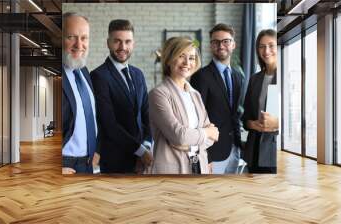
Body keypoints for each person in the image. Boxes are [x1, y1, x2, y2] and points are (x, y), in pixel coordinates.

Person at [149, 37, 219, 174]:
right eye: (181, 56)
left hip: (199, 167)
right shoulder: (158, 94)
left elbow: (213, 138)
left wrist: (187, 143)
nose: (187, 62)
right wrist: (205, 134)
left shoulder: (195, 94)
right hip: (172, 172)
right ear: (169, 59)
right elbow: (179, 136)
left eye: (192, 58)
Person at [90, 19, 152, 173]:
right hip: (115, 160)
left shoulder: (138, 74)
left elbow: (147, 114)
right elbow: (109, 124)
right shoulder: (99, 76)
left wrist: (147, 145)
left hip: (142, 159)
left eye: (127, 41)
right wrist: (140, 151)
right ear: (108, 43)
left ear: (133, 44)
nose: (123, 47)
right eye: (117, 41)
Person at [190, 24, 243, 174]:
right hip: (211, 153)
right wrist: (203, 157)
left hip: (234, 149)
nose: (221, 46)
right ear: (211, 46)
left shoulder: (238, 77)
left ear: (233, 44)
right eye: (216, 42)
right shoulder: (200, 77)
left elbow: (234, 114)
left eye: (226, 41)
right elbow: (194, 120)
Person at [62, 12, 100, 174]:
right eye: (71, 37)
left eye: (84, 38)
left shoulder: (84, 72)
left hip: (88, 163)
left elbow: (90, 117)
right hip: (66, 164)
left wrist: (96, 150)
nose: (79, 45)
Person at [242, 29, 278, 173]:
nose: (266, 50)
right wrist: (252, 124)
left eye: (271, 45)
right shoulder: (254, 79)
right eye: (262, 46)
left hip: (274, 152)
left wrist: (277, 123)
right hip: (254, 150)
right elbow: (245, 117)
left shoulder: (286, 76)